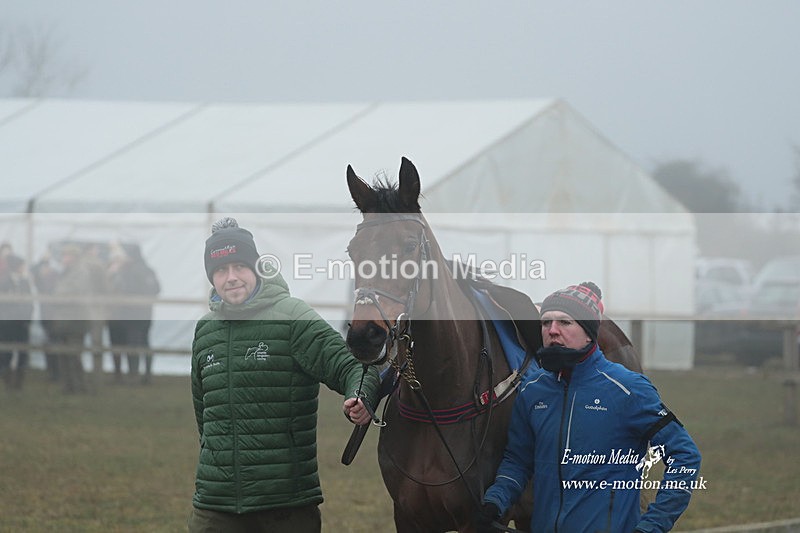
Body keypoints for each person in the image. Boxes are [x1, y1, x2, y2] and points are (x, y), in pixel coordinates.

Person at [189, 217, 379, 533]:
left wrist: (359, 394)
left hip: (285, 504)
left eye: (240, 267)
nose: (231, 278)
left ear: (256, 268)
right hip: (215, 502)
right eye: (221, 271)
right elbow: (203, 414)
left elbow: (355, 366)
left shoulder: (293, 318)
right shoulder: (205, 330)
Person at [477, 282, 701, 533]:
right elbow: (518, 460)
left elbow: (685, 456)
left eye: (565, 322)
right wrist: (495, 501)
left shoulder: (628, 389)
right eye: (545, 322)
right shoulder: (532, 389)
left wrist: (654, 524)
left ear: (589, 332)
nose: (552, 330)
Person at [107, 243, 160, 384]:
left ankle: (133, 376)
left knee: (132, 345)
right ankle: (146, 375)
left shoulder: (129, 271)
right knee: (143, 343)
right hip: (144, 315)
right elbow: (156, 289)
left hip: (130, 315)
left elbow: (125, 290)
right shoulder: (148, 270)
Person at [0, 255, 33, 389]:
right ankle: (7, 381)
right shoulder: (3, 282)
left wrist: (27, 318)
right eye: (21, 265)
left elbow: (30, 302)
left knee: (22, 353)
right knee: (6, 353)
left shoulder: (25, 282)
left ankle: (19, 383)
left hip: (22, 324)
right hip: (7, 324)